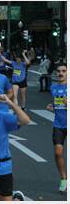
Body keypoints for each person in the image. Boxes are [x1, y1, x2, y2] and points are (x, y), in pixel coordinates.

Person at [46, 64, 67, 192]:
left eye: (64, 71)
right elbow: (57, 103)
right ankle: (64, 178)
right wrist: (52, 106)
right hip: (58, 124)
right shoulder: (53, 87)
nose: (61, 73)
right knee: (58, 152)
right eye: (59, 71)